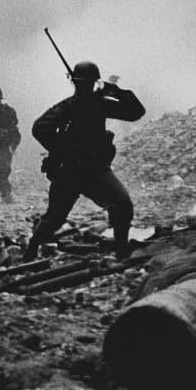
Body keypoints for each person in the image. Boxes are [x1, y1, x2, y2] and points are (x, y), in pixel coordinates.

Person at [24, 61, 146, 261]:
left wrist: (115, 91)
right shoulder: (70, 107)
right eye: (83, 83)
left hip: (92, 169)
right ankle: (31, 250)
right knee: (55, 217)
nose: (84, 86)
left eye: (86, 82)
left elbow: (135, 112)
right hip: (72, 170)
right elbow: (40, 128)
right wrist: (64, 150)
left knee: (121, 205)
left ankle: (121, 250)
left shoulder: (97, 104)